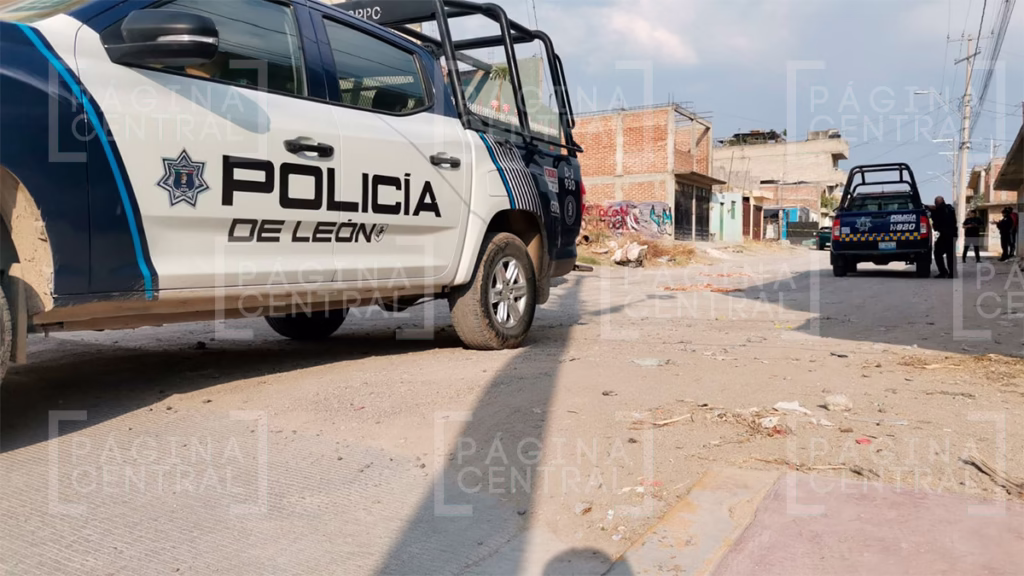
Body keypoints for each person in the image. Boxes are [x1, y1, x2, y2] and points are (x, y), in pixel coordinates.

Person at [927, 196, 958, 278]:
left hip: (946, 235)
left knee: (937, 253)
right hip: (952, 234)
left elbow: (937, 216)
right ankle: (952, 273)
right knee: (951, 255)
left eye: (935, 202)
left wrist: (929, 208)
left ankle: (943, 272)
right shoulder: (950, 208)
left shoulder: (940, 210)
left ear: (937, 202)